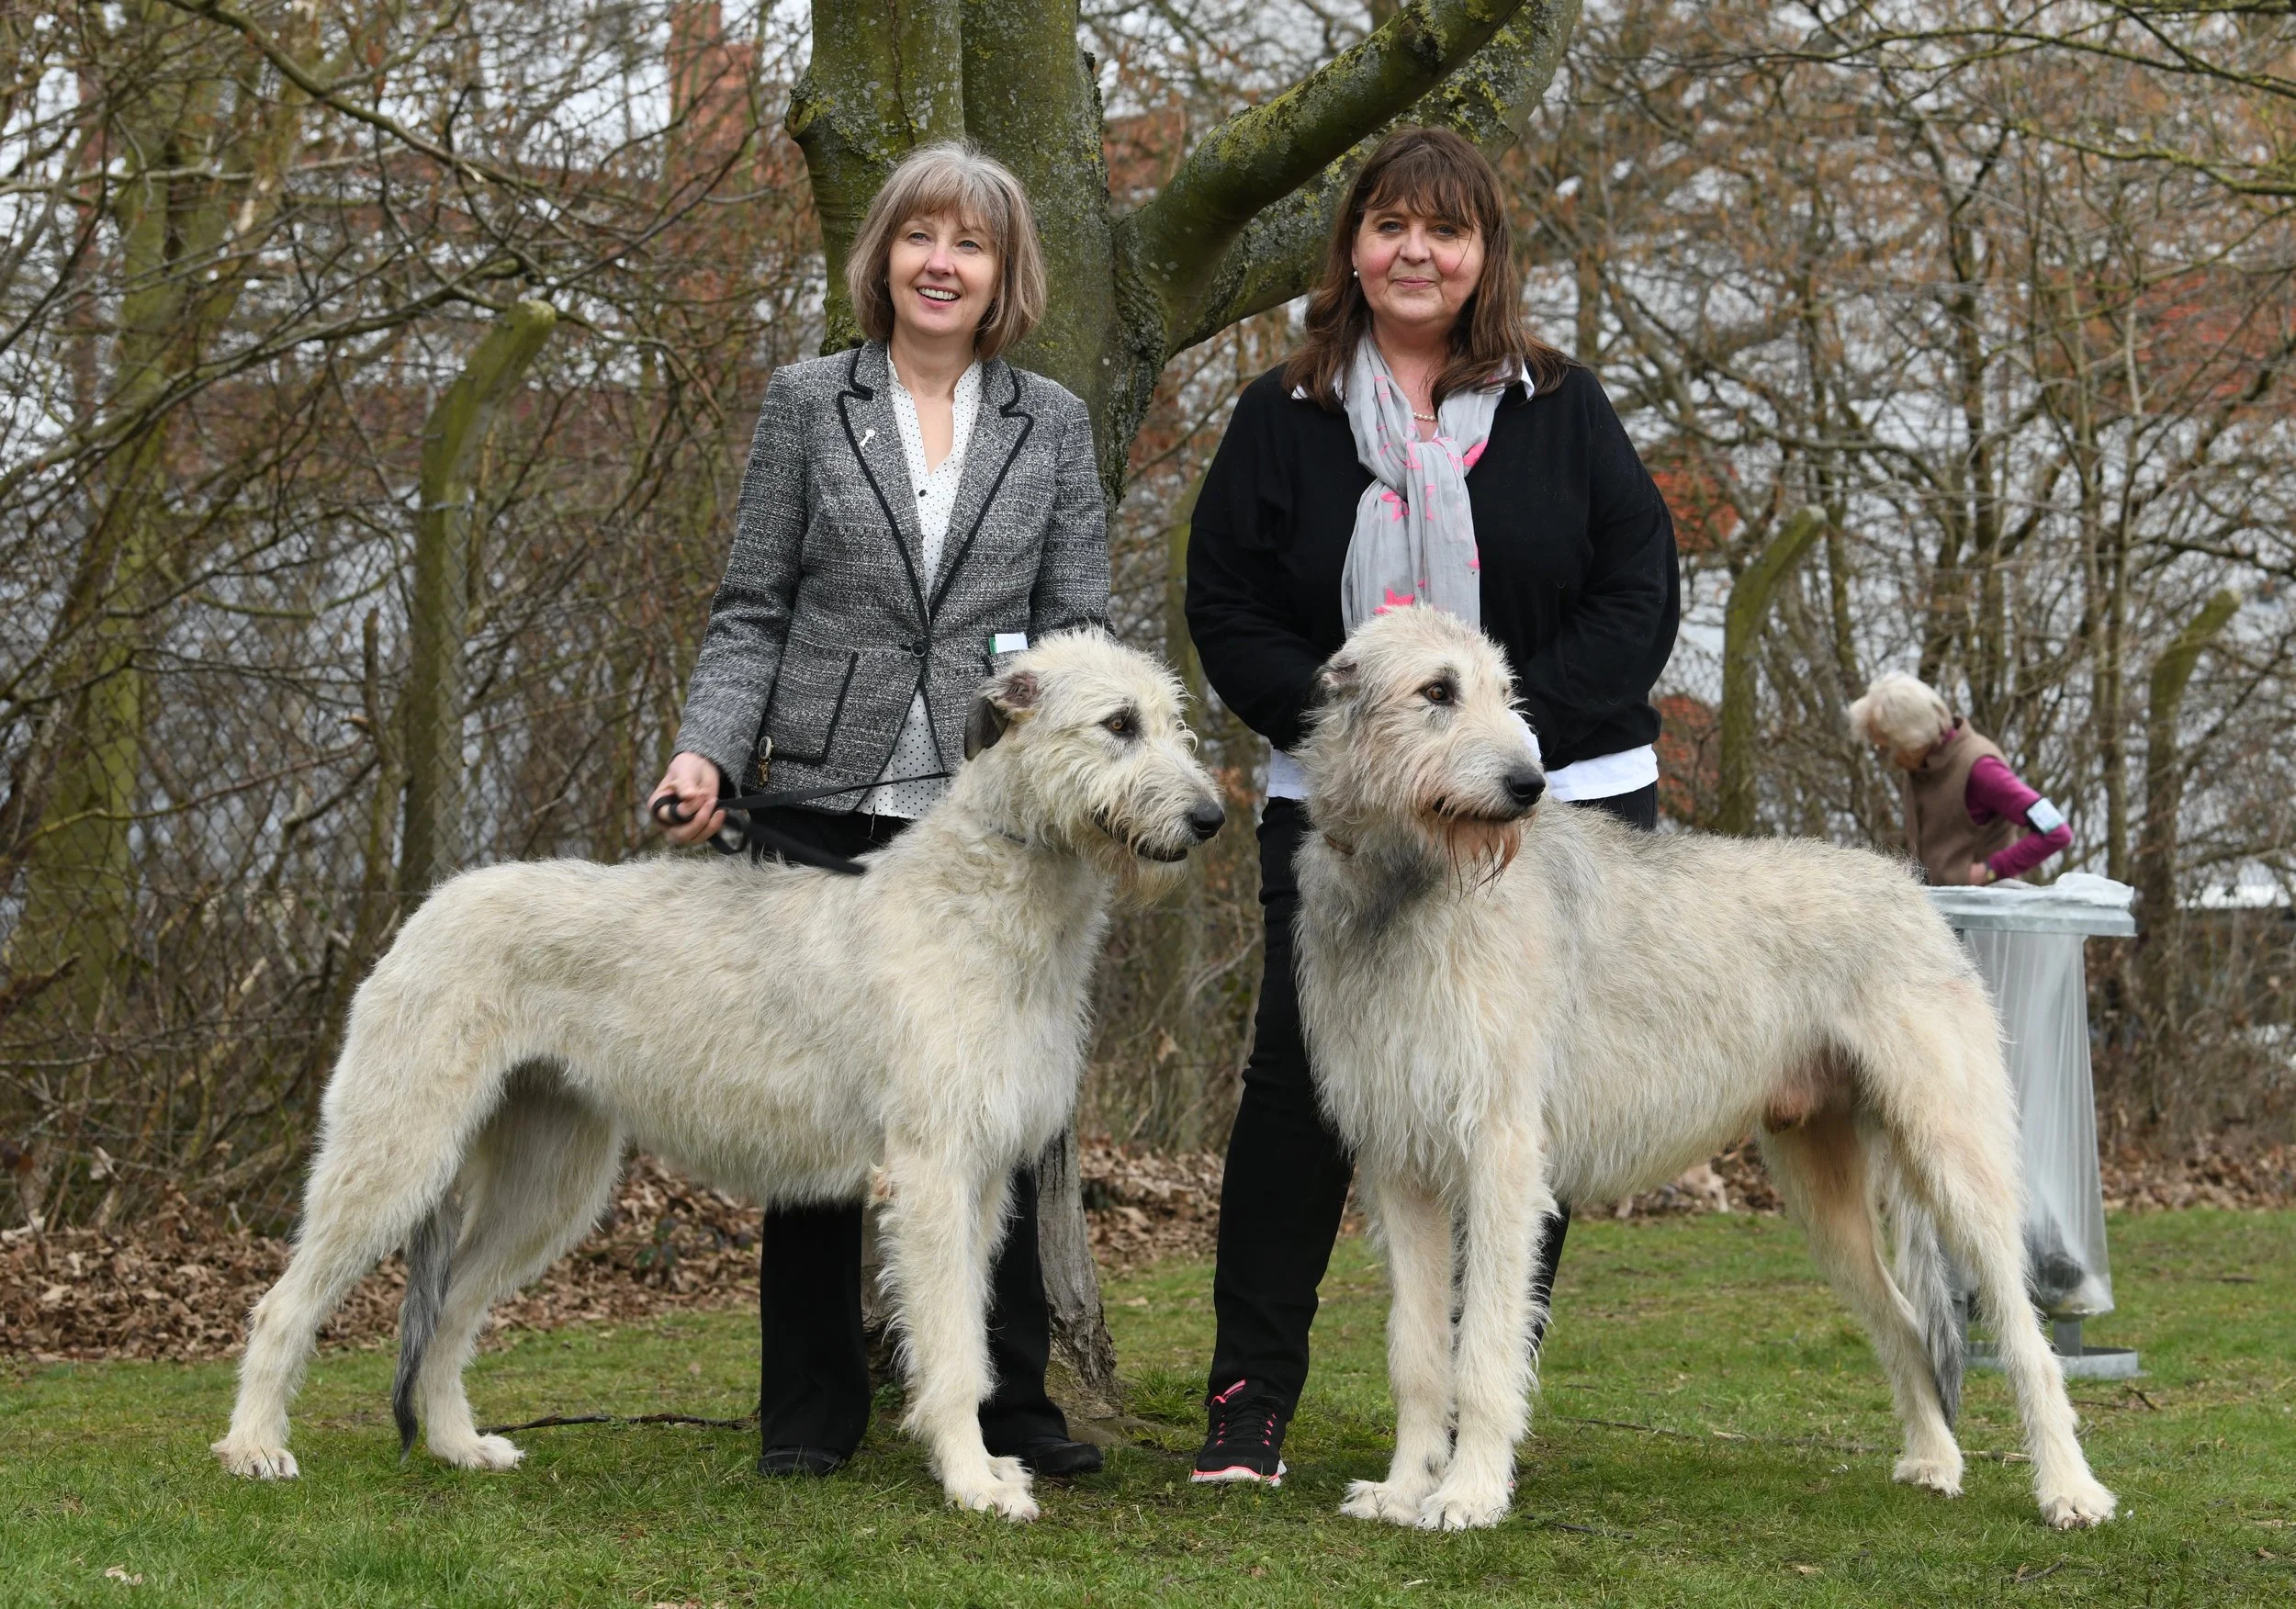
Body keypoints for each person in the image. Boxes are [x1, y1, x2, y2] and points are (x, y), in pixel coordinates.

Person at [1182, 127, 1681, 1484]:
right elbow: (1222, 603)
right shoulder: (1279, 414)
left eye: (1446, 231)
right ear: (1352, 245)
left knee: (1520, 1109)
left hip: (1555, 801)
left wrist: (1503, 746)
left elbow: (1639, 590)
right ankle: (1249, 1403)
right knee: (1298, 1097)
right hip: (1344, 810)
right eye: (1392, 225)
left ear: (1483, 255)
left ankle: (1478, 1405)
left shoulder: (1561, 406)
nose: (1417, 252)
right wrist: (1362, 739)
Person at [649, 141, 1109, 1480]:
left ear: (1003, 272)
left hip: (990, 827)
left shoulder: (1054, 423)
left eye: (969, 244)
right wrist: (708, 757)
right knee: (818, 1112)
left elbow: (1079, 624)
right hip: (826, 795)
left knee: (1002, 1120)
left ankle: (1006, 1406)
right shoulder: (807, 402)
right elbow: (752, 609)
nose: (941, 263)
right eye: (921, 238)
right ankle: (810, 1414)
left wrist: (1086, 775)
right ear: (884, 259)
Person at [1849, 672, 2072, 886]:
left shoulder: (1982, 769)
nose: (1888, 759)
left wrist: (1988, 870)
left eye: (1888, 749)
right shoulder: (1921, 766)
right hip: (1938, 911)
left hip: (1985, 914)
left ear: (1911, 738)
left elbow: (2055, 830)